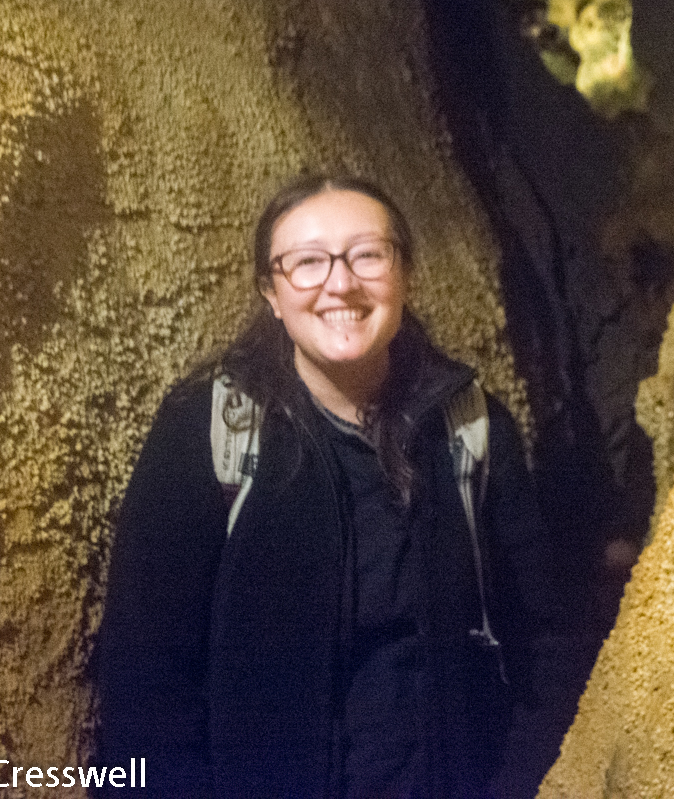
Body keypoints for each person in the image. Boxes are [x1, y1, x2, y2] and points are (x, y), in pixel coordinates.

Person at [93, 173, 564, 798]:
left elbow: (542, 639)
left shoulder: (470, 424)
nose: (340, 283)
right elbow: (145, 676)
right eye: (307, 264)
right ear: (271, 292)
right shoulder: (211, 433)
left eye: (368, 255)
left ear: (405, 274)